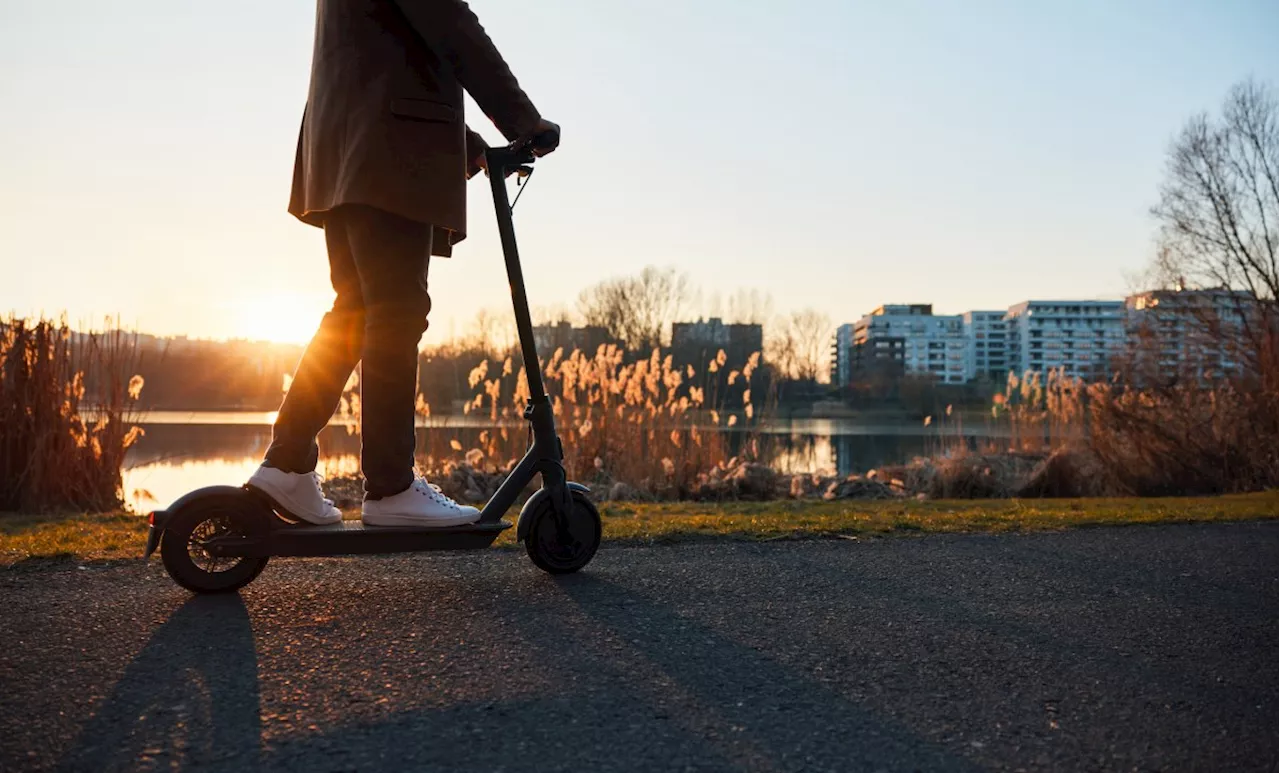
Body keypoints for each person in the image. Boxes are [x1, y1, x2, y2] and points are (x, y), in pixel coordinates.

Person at [246, 0, 559, 528]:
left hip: (343, 145)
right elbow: (449, 22)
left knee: (356, 312)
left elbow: (383, 50)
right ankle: (390, 487)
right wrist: (523, 121)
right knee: (396, 311)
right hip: (388, 151)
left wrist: (468, 146)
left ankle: (288, 463)